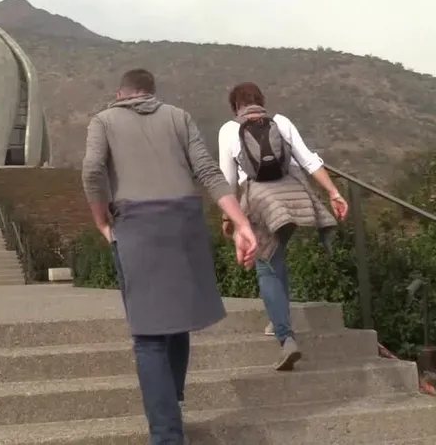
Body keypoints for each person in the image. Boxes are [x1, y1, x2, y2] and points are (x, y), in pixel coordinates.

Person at [81, 68, 258, 445]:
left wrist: (101, 219)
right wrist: (241, 222)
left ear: (120, 94)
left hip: (136, 224)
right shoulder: (179, 117)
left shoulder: (104, 120)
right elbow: (208, 171)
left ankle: (166, 435)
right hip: (184, 222)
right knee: (176, 320)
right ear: (151, 93)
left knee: (148, 335)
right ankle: (173, 400)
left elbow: (93, 168)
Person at [217, 81, 348, 371]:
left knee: (266, 264)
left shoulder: (229, 130)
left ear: (235, 106)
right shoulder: (281, 122)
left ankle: (285, 337)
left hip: (262, 203)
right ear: (261, 101)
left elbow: (227, 179)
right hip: (295, 200)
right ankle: (279, 318)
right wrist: (333, 193)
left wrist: (229, 217)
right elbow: (309, 161)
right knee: (278, 257)